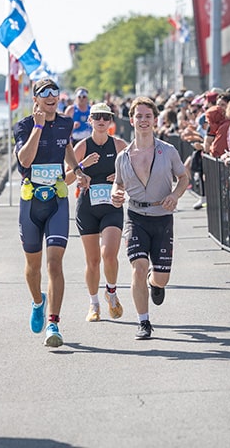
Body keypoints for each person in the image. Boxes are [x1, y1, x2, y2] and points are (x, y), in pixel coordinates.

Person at [110, 97, 190, 340]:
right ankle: (143, 322)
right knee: (138, 267)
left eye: (147, 116)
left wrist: (175, 195)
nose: (143, 120)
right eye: (139, 116)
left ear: (155, 120)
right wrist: (115, 193)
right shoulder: (123, 156)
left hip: (162, 217)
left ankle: (155, 284)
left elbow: (183, 178)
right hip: (135, 217)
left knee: (161, 278)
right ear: (132, 120)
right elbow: (117, 183)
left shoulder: (168, 150)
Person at [15, 78, 82, 347]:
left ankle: (53, 323)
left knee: (54, 263)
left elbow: (66, 146)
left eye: (55, 92)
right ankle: (37, 302)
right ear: (36, 99)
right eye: (45, 93)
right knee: (33, 267)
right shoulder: (24, 125)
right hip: (31, 201)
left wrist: (77, 169)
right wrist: (39, 127)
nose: (51, 97)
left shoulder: (66, 123)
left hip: (56, 200)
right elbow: (25, 160)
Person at [66, 102, 128, 322]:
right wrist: (81, 167)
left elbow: (137, 174)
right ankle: (94, 304)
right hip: (87, 208)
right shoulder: (82, 146)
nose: (102, 121)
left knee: (108, 255)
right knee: (92, 261)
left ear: (111, 121)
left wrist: (121, 179)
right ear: (90, 120)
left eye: (106, 117)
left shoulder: (120, 145)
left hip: (112, 206)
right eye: (97, 117)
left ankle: (111, 292)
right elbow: (65, 179)